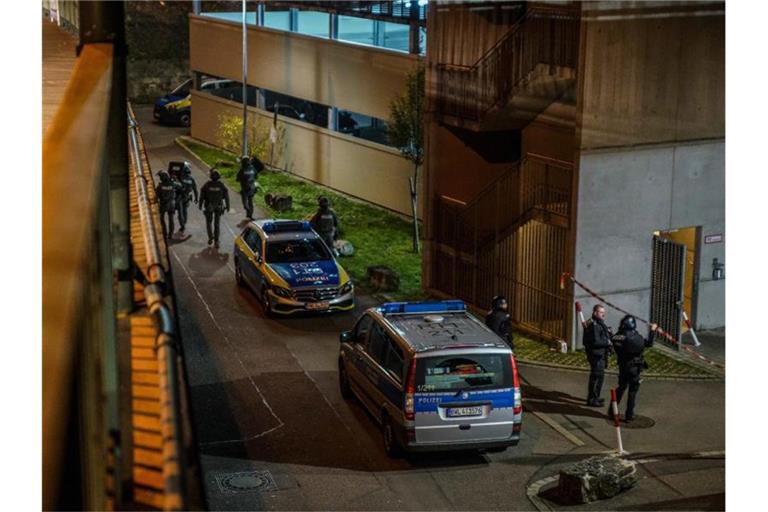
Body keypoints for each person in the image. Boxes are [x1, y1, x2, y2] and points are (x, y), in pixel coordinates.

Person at [610, 315, 658, 422]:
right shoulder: (634, 338)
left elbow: (613, 338)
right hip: (633, 368)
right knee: (632, 391)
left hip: (622, 366)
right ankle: (629, 415)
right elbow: (648, 343)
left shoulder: (617, 336)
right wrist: (652, 330)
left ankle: (612, 411)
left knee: (621, 388)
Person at [583, 304, 613, 407]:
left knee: (599, 377)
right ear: (595, 312)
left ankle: (595, 397)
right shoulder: (594, 325)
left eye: (604, 313)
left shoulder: (597, 323)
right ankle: (592, 399)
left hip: (599, 354)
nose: (603, 314)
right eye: (601, 312)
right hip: (596, 355)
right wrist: (607, 342)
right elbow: (596, 341)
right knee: (596, 377)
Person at [199, 168, 230, 248]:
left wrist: (200, 204)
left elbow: (202, 195)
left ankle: (210, 237)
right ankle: (216, 241)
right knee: (217, 224)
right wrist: (228, 206)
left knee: (209, 223)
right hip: (219, 207)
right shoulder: (221, 185)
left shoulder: (207, 185)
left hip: (209, 207)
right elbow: (226, 196)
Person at [155, 170, 181, 237]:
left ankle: (164, 232)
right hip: (172, 204)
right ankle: (171, 233)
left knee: (161, 218)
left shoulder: (160, 186)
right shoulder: (173, 184)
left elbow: (156, 196)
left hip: (163, 204)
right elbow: (180, 186)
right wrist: (175, 179)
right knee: (171, 218)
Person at [176, 162, 198, 234]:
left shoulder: (179, 177)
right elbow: (195, 189)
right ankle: (183, 224)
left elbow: (175, 187)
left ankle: (182, 225)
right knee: (185, 212)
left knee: (180, 213)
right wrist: (196, 198)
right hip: (187, 197)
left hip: (179, 197)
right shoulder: (191, 179)